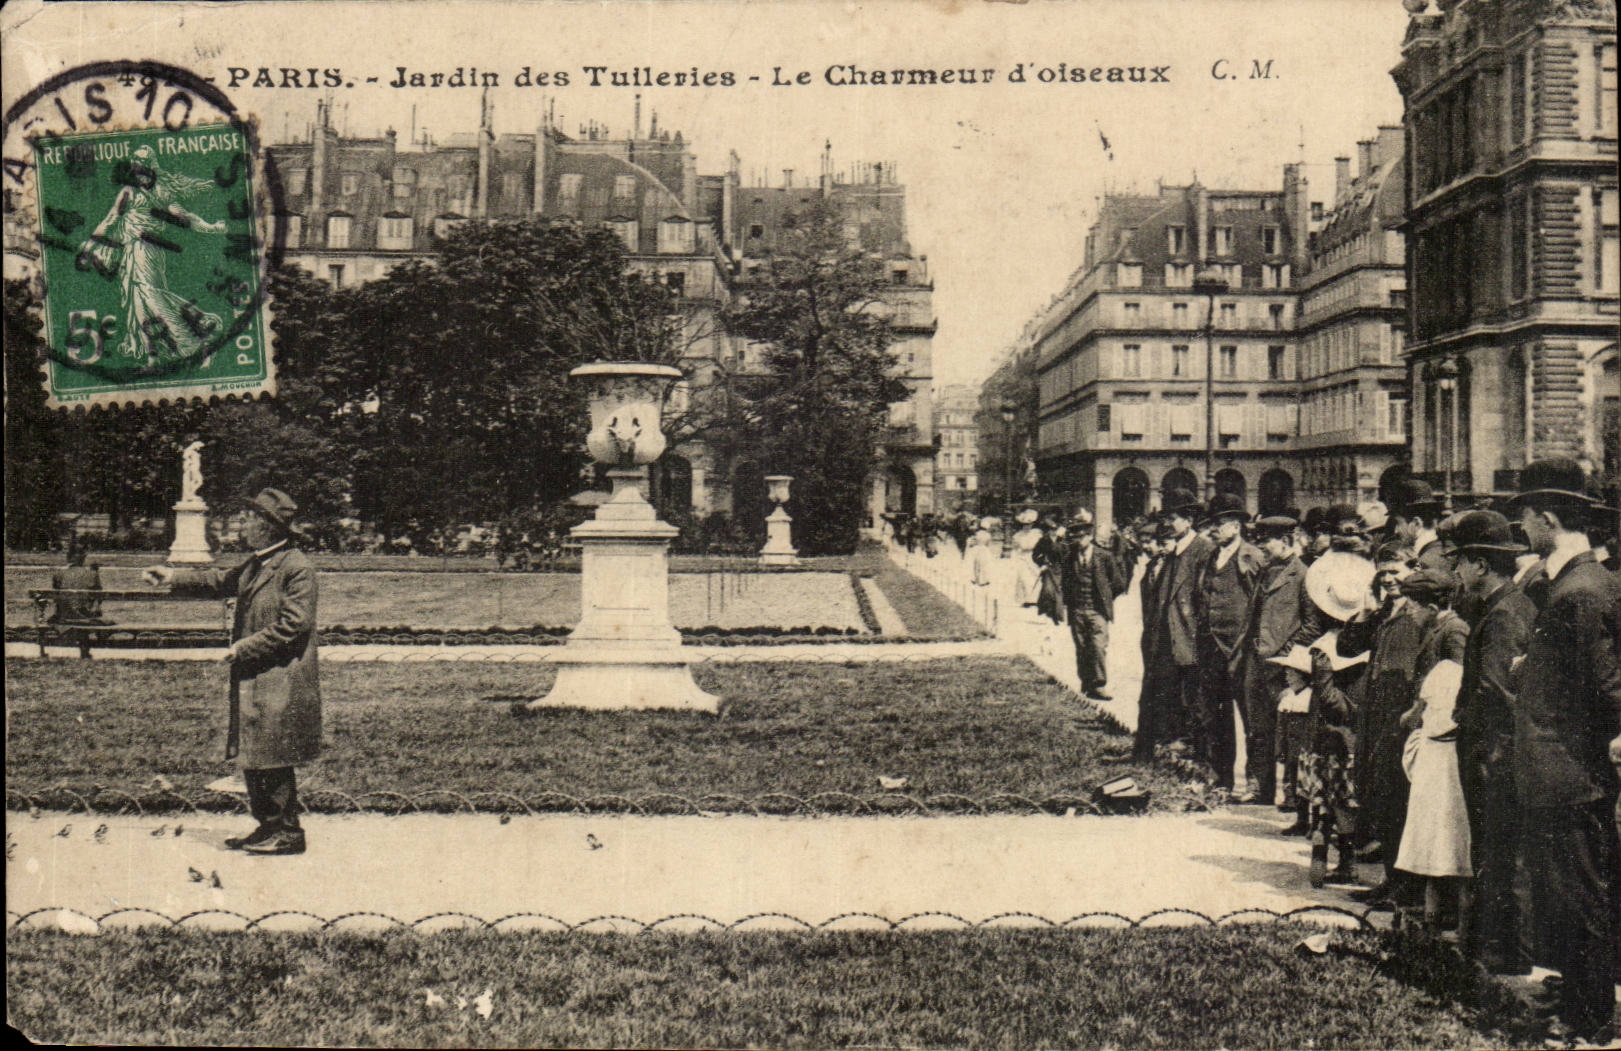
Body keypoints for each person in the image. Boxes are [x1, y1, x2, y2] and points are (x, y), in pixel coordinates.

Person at [1507, 459, 1621, 1048]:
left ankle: (1591, 1017)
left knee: (1579, 896)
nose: (1523, 530)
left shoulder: (1578, 593)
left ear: (1549, 519)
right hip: (1564, 770)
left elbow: (1607, 688)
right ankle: (1579, 994)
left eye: (1526, 519)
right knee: (1569, 892)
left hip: (1568, 775)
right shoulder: (1581, 584)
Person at [145, 488, 321, 856]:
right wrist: (171, 576)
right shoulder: (258, 563)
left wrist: (244, 647)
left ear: (269, 527)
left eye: (250, 518)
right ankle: (268, 826)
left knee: (273, 754)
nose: (243, 524)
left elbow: (295, 625)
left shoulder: (295, 566)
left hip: (280, 676)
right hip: (258, 676)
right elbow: (220, 580)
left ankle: (288, 833)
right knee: (255, 753)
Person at [1448, 509, 1538, 976]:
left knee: (1500, 852)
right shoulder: (1511, 605)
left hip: (1495, 756)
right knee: (1501, 852)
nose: (1457, 571)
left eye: (1460, 561)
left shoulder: (1503, 614)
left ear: (1481, 565)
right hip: (1499, 753)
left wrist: (1486, 755)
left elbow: (1498, 695)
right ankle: (1501, 948)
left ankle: (1506, 954)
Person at [1339, 539, 1430, 907]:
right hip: (1377, 719)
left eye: (1397, 571)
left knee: (1400, 802)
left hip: (1402, 719)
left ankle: (1406, 888)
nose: (1390, 579)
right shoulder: (1383, 612)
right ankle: (1392, 882)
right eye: (1384, 572)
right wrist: (1363, 613)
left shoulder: (1419, 615)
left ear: (1414, 570)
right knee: (1383, 800)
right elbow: (1347, 647)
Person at [1240, 514, 1321, 807]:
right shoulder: (1265, 572)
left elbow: (1311, 625)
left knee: (1289, 732)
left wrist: (1286, 655)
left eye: (1266, 542)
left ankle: (1291, 793)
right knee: (1257, 728)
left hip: (1285, 668)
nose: (1261, 548)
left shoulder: (1305, 575)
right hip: (1257, 662)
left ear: (1286, 541)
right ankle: (1260, 787)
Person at [1395, 658, 1473, 930]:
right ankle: (1464, 932)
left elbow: (1411, 718)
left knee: (1431, 855)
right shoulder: (1464, 680)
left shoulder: (1441, 672)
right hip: (1453, 766)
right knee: (1460, 857)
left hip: (1432, 763)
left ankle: (1431, 923)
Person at [1197, 493, 1263, 794]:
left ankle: (1256, 781)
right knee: (1216, 714)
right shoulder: (1212, 556)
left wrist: (1250, 644)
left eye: (1219, 524)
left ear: (1235, 526)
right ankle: (1220, 777)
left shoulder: (1251, 556)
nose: (1214, 529)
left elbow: (1259, 604)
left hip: (1241, 650)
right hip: (1212, 648)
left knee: (1251, 716)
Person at [1152, 490, 1215, 763]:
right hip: (1168, 634)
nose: (1169, 524)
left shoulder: (1203, 550)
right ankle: (1177, 742)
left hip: (1190, 635)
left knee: (1195, 696)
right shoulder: (1174, 551)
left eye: (1174, 518)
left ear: (1189, 520)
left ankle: (1198, 751)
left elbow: (1206, 596)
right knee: (1171, 692)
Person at [1058, 509, 1123, 702]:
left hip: (1097, 611)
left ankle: (1099, 684)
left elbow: (1118, 583)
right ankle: (1086, 683)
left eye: (1082, 536)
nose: (1079, 541)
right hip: (1077, 610)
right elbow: (1066, 582)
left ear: (1089, 536)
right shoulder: (1070, 558)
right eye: (1075, 537)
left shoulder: (1104, 556)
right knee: (1082, 646)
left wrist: (1106, 598)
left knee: (1098, 646)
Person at [1133, 520, 1174, 762]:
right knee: (1151, 692)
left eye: (1160, 543)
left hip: (1168, 640)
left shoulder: (1172, 567)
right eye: (1149, 543)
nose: (1153, 547)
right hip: (1152, 637)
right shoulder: (1152, 567)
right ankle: (1147, 748)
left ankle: (1159, 745)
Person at [48, 537, 111, 627]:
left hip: (64, 616)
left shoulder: (58, 574)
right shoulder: (92, 574)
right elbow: (98, 597)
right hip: (85, 616)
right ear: (83, 557)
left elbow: (56, 597)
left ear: (68, 557)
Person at [1011, 508, 1044, 608]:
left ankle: (1035, 599)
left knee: (1035, 577)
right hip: (1023, 557)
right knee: (1024, 578)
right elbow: (1015, 547)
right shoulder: (1018, 535)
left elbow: (1040, 545)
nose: (1027, 526)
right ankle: (1026, 599)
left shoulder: (1036, 534)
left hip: (1034, 556)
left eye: (1029, 524)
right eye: (1024, 524)